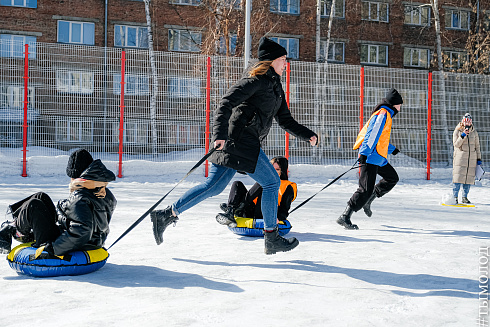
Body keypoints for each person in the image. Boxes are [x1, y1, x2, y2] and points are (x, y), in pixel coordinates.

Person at [151, 37, 318, 255]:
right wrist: (219, 135)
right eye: (283, 59)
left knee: (214, 187)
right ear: (270, 61)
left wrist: (308, 135)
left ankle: (167, 214)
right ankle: (272, 237)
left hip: (244, 141)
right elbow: (226, 103)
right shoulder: (255, 81)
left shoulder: (276, 88)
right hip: (238, 140)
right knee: (271, 182)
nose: (286, 63)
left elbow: (285, 120)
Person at [0, 149, 117, 256]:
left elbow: (82, 230)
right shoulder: (103, 191)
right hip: (92, 240)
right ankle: (14, 223)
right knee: (41, 196)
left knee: (34, 205)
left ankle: (18, 232)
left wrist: (54, 248)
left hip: (73, 244)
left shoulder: (80, 197)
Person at [337, 88, 402, 230]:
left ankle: (369, 199)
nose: (400, 107)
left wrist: (392, 149)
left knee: (392, 178)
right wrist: (364, 154)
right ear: (394, 104)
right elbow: (372, 134)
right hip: (371, 157)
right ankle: (345, 216)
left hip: (378, 157)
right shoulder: (383, 114)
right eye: (399, 104)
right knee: (364, 189)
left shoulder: (387, 114)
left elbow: (381, 138)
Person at [216, 156, 297, 225]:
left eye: (277, 169)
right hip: (251, 209)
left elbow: (284, 208)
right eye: (272, 169)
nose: (273, 172)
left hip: (266, 213)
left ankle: (238, 209)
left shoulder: (288, 186)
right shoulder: (266, 179)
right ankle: (231, 210)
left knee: (264, 183)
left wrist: (278, 218)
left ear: (282, 171)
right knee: (237, 184)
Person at [452, 113, 482, 204]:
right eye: (466, 123)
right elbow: (456, 144)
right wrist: (463, 136)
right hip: (460, 159)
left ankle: (465, 197)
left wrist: (478, 158)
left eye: (469, 123)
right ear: (463, 122)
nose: (467, 125)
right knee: (458, 178)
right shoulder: (457, 131)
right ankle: (455, 197)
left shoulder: (474, 132)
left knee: (468, 180)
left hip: (471, 159)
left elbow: (477, 146)